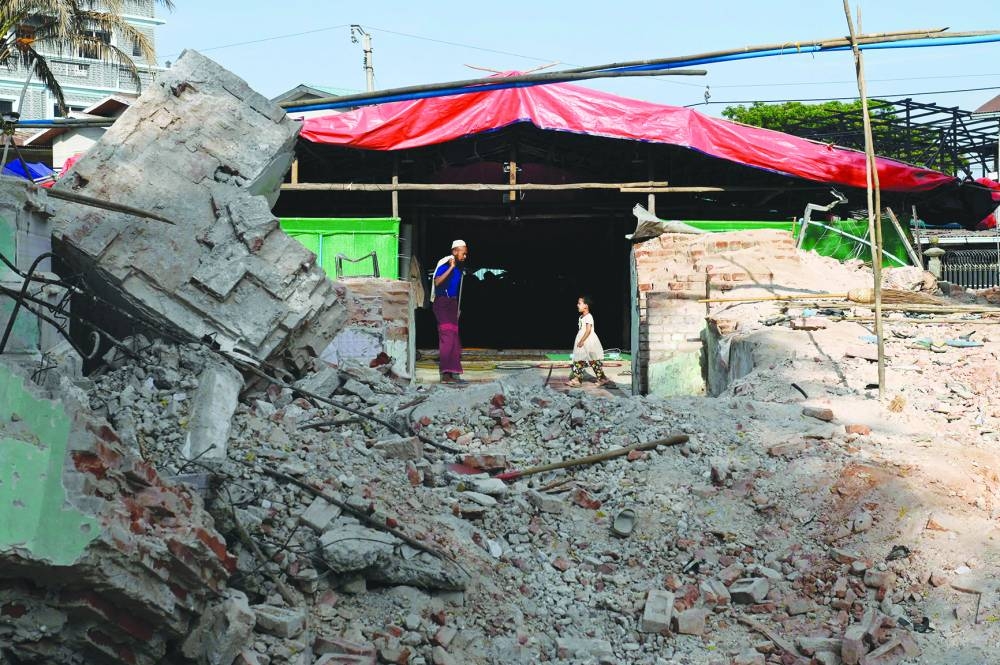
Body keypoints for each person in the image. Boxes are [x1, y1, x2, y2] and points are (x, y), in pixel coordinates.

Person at [432, 240, 468, 383]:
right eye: (463, 253)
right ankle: (445, 374)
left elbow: (457, 290)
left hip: (452, 304)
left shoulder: (459, 268)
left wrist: (457, 308)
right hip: (442, 303)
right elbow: (437, 282)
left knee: (454, 338)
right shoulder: (446, 264)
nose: (465, 256)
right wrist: (451, 268)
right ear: (454, 251)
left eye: (466, 254)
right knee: (447, 337)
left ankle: (453, 373)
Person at [567, 295, 611, 388]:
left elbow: (588, 330)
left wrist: (582, 340)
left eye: (579, 303)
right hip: (582, 340)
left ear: (586, 305)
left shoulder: (589, 316)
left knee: (593, 361)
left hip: (588, 341)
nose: (577, 305)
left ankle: (602, 378)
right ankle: (577, 379)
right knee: (579, 359)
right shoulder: (581, 317)